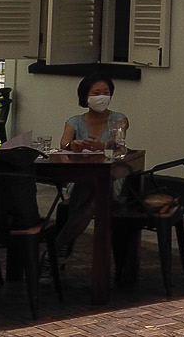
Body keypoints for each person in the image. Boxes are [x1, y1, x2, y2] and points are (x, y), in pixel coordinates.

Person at [53, 74, 132, 258]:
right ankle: (59, 250)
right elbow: (64, 145)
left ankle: (56, 249)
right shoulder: (74, 122)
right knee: (88, 192)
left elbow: (119, 146)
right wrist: (73, 145)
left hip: (110, 178)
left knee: (93, 195)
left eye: (106, 92)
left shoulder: (119, 120)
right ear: (85, 96)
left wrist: (102, 146)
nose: (102, 97)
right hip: (81, 177)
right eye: (96, 93)